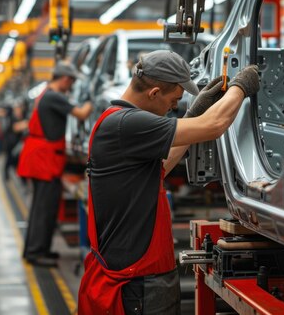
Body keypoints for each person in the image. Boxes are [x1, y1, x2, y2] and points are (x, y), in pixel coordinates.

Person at [78, 50, 260, 314]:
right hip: (138, 283)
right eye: (173, 101)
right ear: (153, 93)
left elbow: (162, 167)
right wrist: (241, 87)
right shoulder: (127, 123)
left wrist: (194, 113)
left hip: (145, 275)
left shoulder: (119, 121)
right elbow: (215, 124)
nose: (173, 108)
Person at [17, 61, 92, 267]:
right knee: (44, 208)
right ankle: (36, 252)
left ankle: (35, 249)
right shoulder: (54, 96)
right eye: (72, 81)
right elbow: (82, 113)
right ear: (65, 79)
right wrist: (93, 99)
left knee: (41, 207)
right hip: (43, 160)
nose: (72, 85)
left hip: (42, 158)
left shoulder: (46, 93)